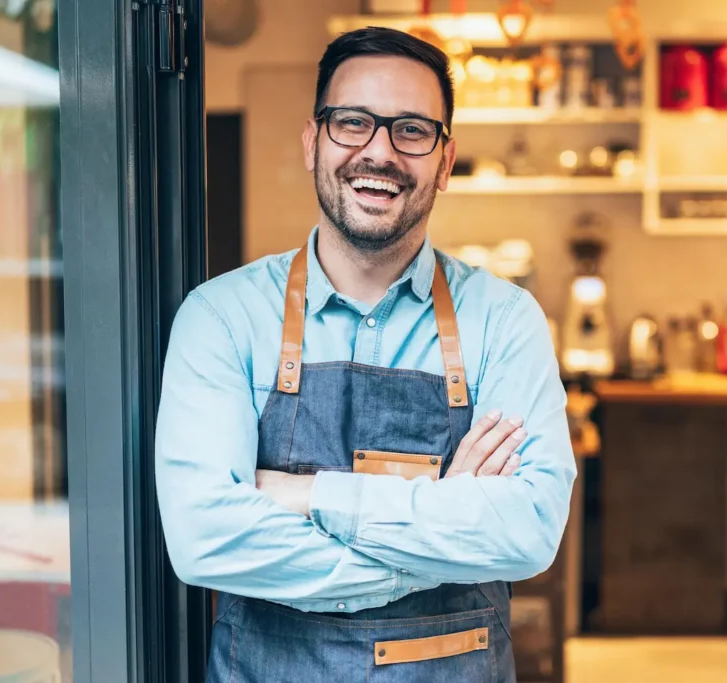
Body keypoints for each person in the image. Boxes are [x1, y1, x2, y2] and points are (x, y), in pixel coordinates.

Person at [154, 26, 576, 682]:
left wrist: (310, 493)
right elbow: (203, 538)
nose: (379, 151)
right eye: (352, 122)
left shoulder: (505, 320)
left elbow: (528, 531)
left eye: (412, 130)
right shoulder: (222, 317)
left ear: (445, 161)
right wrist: (439, 535)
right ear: (312, 142)